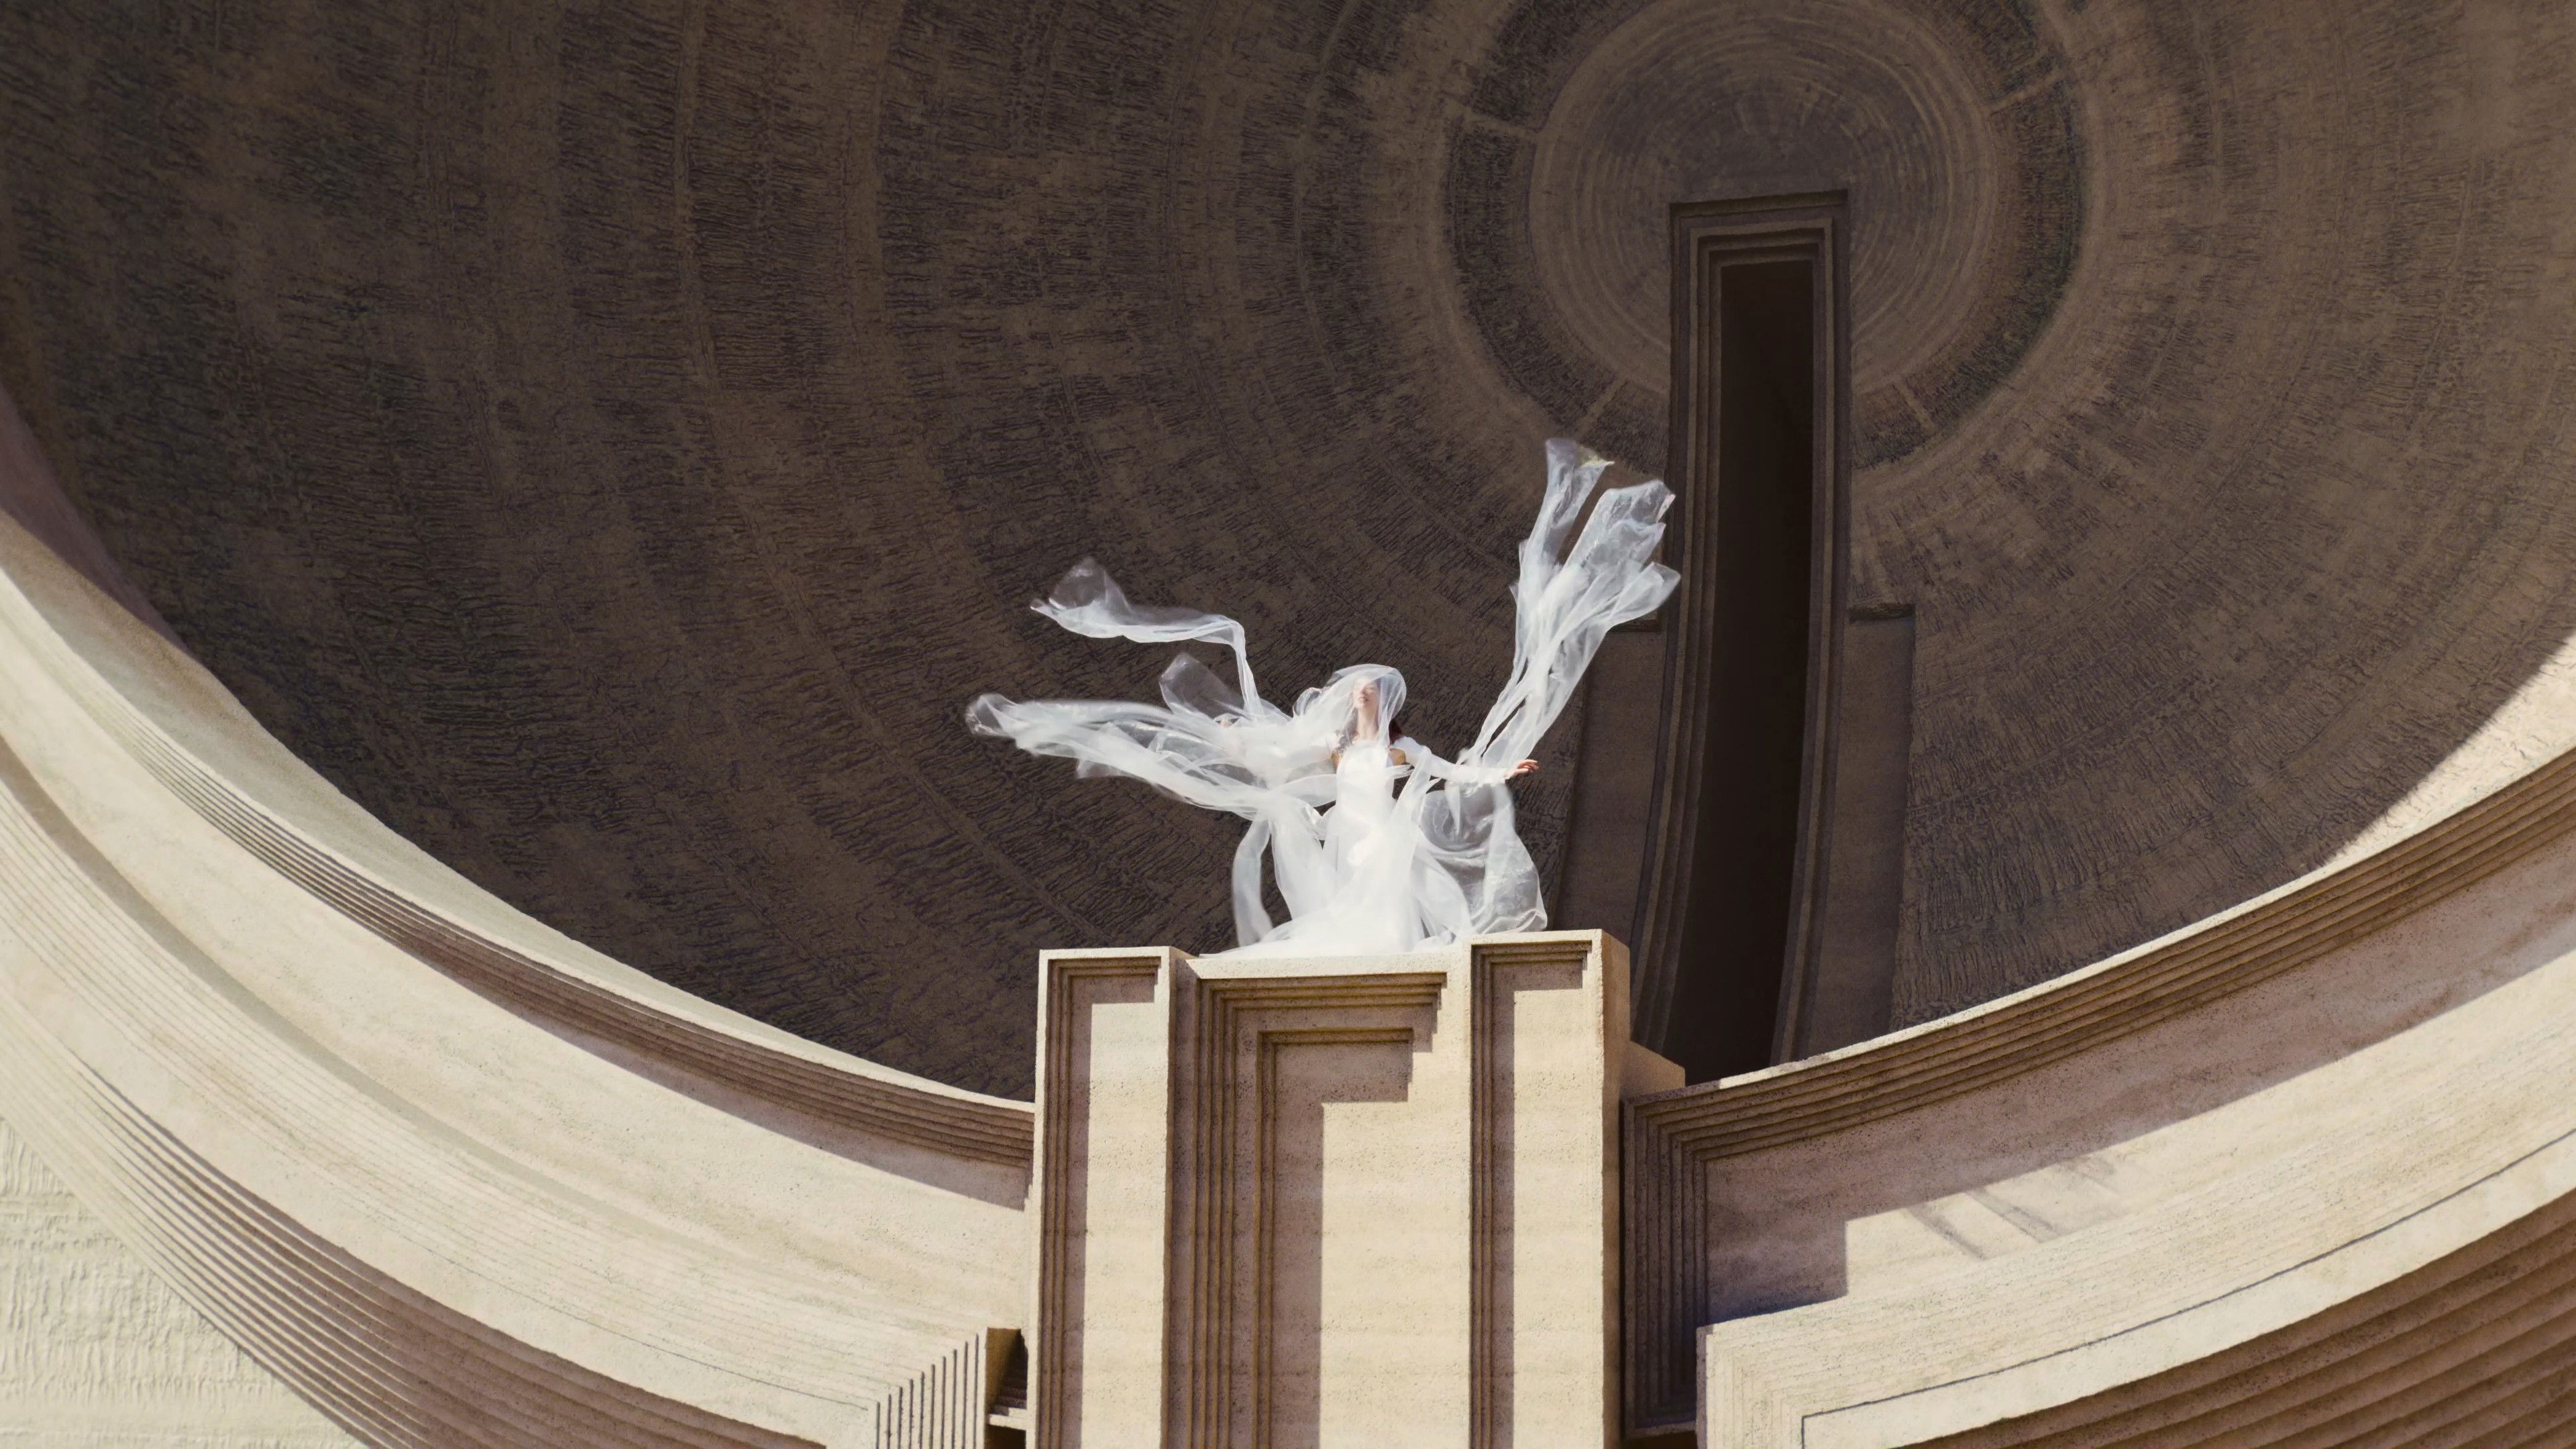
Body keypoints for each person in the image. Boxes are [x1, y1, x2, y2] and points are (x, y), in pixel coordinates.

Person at [967, 439, 1677, 957]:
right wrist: (1224, 754)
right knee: (1349, 897)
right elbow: (1280, 763)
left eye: (1371, 696)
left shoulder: (1402, 749)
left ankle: (1389, 958)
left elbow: (1452, 772)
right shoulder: (1333, 748)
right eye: (1359, 693)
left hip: (1383, 832)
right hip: (1346, 833)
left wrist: (1502, 771)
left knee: (1387, 897)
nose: (1362, 698)